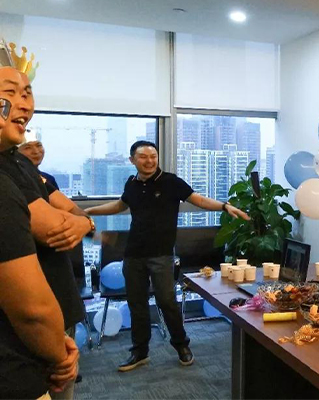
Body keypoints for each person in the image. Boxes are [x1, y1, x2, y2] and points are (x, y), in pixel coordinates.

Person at [86, 141, 250, 372]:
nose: (149, 161)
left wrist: (224, 206)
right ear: (132, 160)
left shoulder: (171, 182)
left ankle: (182, 345)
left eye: (153, 156)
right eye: (143, 157)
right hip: (133, 254)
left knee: (167, 302)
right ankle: (140, 352)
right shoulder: (131, 183)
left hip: (161, 255)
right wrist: (90, 210)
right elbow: (120, 205)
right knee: (137, 304)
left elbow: (199, 200)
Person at [0, 66, 91, 400]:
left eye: (27, 93)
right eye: (10, 93)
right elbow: (55, 228)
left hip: (52, 318)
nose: (24, 103)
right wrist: (59, 354)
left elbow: (72, 213)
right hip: (18, 355)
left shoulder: (20, 164)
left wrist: (85, 222)